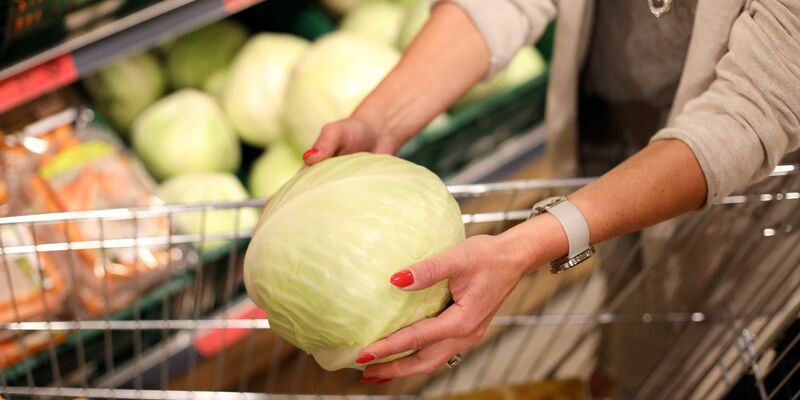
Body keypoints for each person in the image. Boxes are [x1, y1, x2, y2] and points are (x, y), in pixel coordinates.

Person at [302, 0, 800, 393]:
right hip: (609, 148)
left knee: (671, 354)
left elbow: (751, 110)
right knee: (625, 326)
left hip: (729, 205)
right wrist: (379, 121)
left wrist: (524, 247)